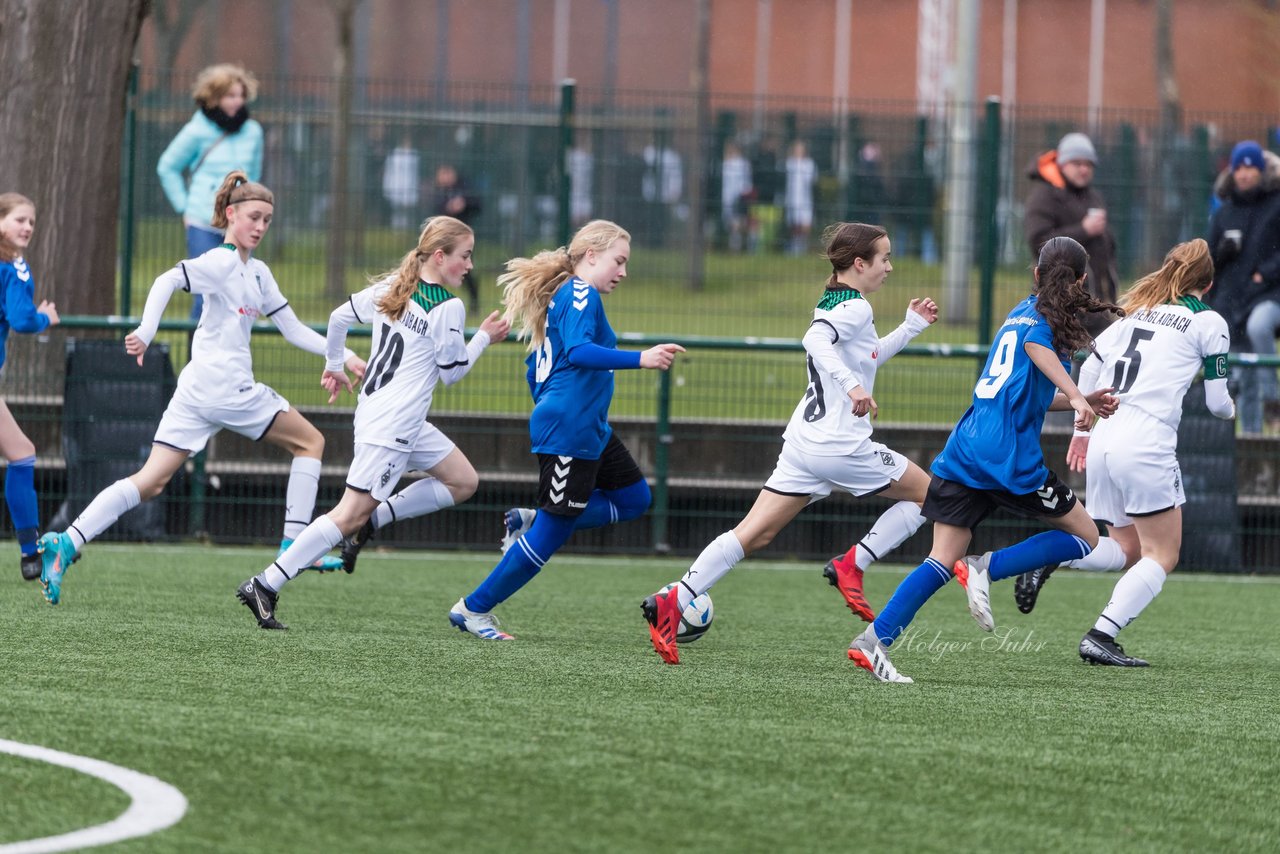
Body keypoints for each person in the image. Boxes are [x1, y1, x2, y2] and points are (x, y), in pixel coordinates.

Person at [35, 171, 366, 605]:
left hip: (198, 391)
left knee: (150, 481)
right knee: (312, 443)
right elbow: (166, 280)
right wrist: (147, 330)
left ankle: (68, 541)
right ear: (230, 214)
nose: (261, 227)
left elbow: (292, 328)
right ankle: (293, 547)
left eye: (267, 219)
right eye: (253, 217)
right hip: (225, 387)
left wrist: (340, 357)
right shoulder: (220, 261)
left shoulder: (259, 274)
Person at [642, 222, 938, 665]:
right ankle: (853, 563)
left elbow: (865, 354)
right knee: (933, 498)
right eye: (885, 258)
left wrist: (911, 327)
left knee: (753, 534)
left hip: (803, 443)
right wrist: (853, 388)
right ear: (860, 264)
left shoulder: (839, 299)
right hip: (839, 445)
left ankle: (676, 599)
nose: (890, 267)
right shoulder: (853, 307)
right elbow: (815, 340)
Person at [847, 236, 1123, 683]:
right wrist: (1075, 395)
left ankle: (872, 641)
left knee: (939, 560)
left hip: (966, 450)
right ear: (1082, 281)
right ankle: (986, 566)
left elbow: (1023, 390)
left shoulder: (1018, 311)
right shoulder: (1040, 325)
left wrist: (1078, 396)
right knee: (1086, 536)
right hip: (1008, 460)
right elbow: (1038, 348)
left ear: (1036, 275)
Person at [236, 216, 509, 629]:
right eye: (465, 256)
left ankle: (376, 520)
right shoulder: (448, 306)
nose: (470, 265)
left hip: (387, 414)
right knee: (347, 514)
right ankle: (265, 583)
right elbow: (452, 372)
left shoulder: (393, 287)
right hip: (393, 425)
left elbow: (337, 318)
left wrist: (334, 364)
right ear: (440, 256)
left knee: (462, 480)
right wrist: (484, 337)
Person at [448, 221, 684, 640]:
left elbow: (535, 369)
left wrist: (558, 404)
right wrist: (640, 359)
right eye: (619, 260)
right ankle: (473, 609)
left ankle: (534, 520)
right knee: (552, 534)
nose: (623, 272)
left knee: (634, 498)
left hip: (587, 426)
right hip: (571, 429)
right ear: (591, 255)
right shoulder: (579, 292)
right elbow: (577, 353)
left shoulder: (568, 297)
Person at [1053, 239, 1234, 665]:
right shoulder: (1210, 322)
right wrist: (1232, 408)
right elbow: (1217, 405)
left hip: (1103, 439)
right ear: (1207, 283)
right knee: (1162, 554)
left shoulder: (1134, 316)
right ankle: (1101, 634)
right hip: (1146, 443)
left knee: (1126, 550)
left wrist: (1082, 432)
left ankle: (1045, 558)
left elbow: (1089, 365)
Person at [157, 63, 264, 325]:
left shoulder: (253, 132)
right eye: (230, 95)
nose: (237, 101)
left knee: (240, 292)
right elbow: (167, 166)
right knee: (205, 291)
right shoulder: (198, 130)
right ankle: (196, 358)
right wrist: (184, 207)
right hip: (203, 221)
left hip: (239, 223)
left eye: (240, 95)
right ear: (214, 97)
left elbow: (254, 175)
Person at [0, 193, 60, 581]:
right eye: (19, 220)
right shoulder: (14, 267)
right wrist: (44, 317)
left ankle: (30, 553)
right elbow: (22, 319)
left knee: (22, 453)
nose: (26, 228)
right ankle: (29, 553)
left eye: (31, 223)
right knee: (22, 455)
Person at [1205, 140, 1280, 435]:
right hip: (1231, 300)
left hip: (1268, 294)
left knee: (1259, 327)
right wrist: (1221, 253)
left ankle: (1273, 400)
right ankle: (1251, 438)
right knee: (1241, 379)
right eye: (1240, 168)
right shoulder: (1223, 212)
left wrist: (1265, 273)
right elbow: (1207, 258)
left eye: (1251, 168)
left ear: (1261, 171)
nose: (1245, 174)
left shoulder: (1276, 204)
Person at [1025, 132, 1119, 308]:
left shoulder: (1094, 196)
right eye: (1077, 163)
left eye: (1089, 164)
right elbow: (1038, 242)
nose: (1084, 169)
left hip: (1098, 303)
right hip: (1062, 303)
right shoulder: (1044, 196)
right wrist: (1084, 230)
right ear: (1062, 164)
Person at [431, 164, 481, 311]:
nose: (444, 178)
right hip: (444, 237)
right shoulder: (439, 191)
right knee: (438, 266)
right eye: (442, 174)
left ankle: (474, 301)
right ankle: (436, 298)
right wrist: (448, 206)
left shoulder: (463, 187)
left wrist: (463, 204)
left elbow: (478, 204)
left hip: (462, 238)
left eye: (447, 173)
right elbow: (435, 209)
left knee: (466, 270)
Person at [381, 134, 421, 230]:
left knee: (407, 208)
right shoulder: (395, 154)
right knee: (397, 208)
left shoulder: (414, 155)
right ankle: (396, 226)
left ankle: (406, 227)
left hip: (409, 184)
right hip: (396, 183)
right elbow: (389, 170)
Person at [784, 140, 817, 256]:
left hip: (805, 199)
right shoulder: (790, 163)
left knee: (805, 224)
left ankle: (802, 247)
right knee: (794, 224)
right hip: (792, 199)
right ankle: (794, 248)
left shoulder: (809, 164)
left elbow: (811, 180)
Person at [720, 141, 753, 252]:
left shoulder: (743, 164)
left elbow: (747, 183)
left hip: (738, 197)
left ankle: (735, 247)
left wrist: (743, 194)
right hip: (725, 197)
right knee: (728, 222)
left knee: (737, 223)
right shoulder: (723, 163)